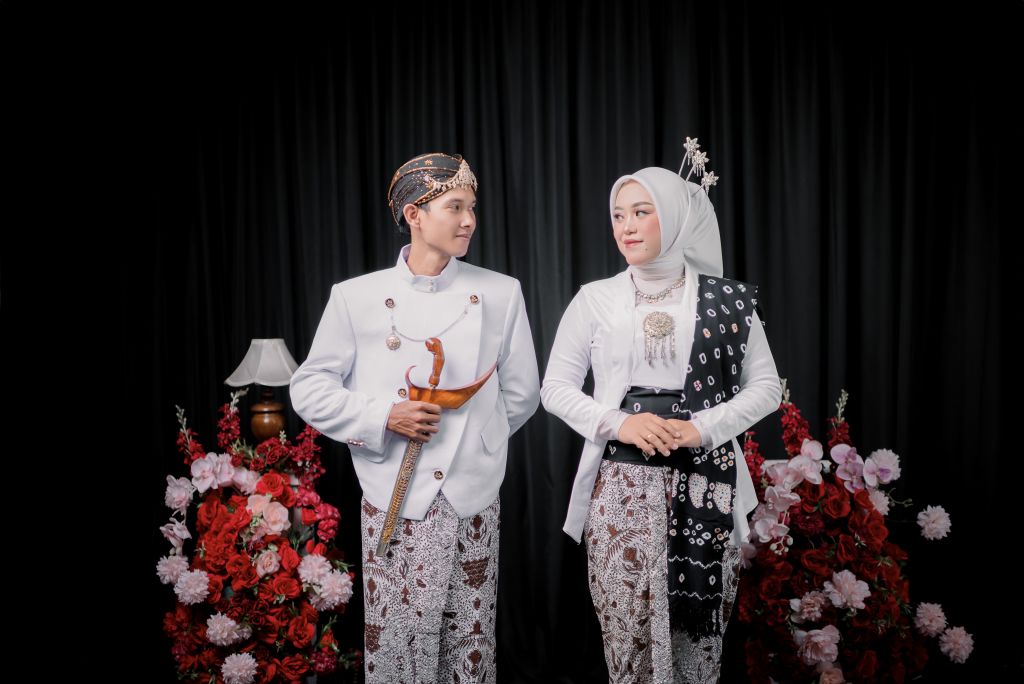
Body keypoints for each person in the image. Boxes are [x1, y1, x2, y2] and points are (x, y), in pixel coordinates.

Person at [289, 152, 540, 683]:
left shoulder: (502, 291)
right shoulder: (354, 297)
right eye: (455, 207)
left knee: (470, 645)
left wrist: (477, 447)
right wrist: (385, 416)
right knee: (398, 648)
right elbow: (308, 388)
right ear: (414, 215)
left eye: (472, 207)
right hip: (394, 496)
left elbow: (522, 394)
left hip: (474, 498)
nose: (469, 220)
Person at [540, 145, 782, 683]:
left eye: (641, 212)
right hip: (621, 489)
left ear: (673, 217)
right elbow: (554, 389)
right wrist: (620, 422)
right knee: (627, 640)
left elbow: (767, 387)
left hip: (705, 483)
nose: (626, 226)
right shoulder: (594, 299)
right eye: (618, 215)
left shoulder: (726, 300)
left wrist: (702, 428)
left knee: (698, 647)